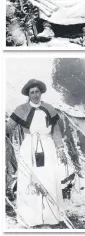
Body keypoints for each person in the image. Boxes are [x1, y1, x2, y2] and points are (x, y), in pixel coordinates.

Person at [6, 79, 66, 227]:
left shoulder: (49, 108)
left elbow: (56, 131)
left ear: (41, 92)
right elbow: (9, 127)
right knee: (30, 181)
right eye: (32, 92)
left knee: (49, 179)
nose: (35, 95)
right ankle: (31, 218)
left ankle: (51, 217)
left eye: (37, 92)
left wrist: (60, 149)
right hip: (29, 148)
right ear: (28, 95)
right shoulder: (21, 109)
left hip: (47, 147)